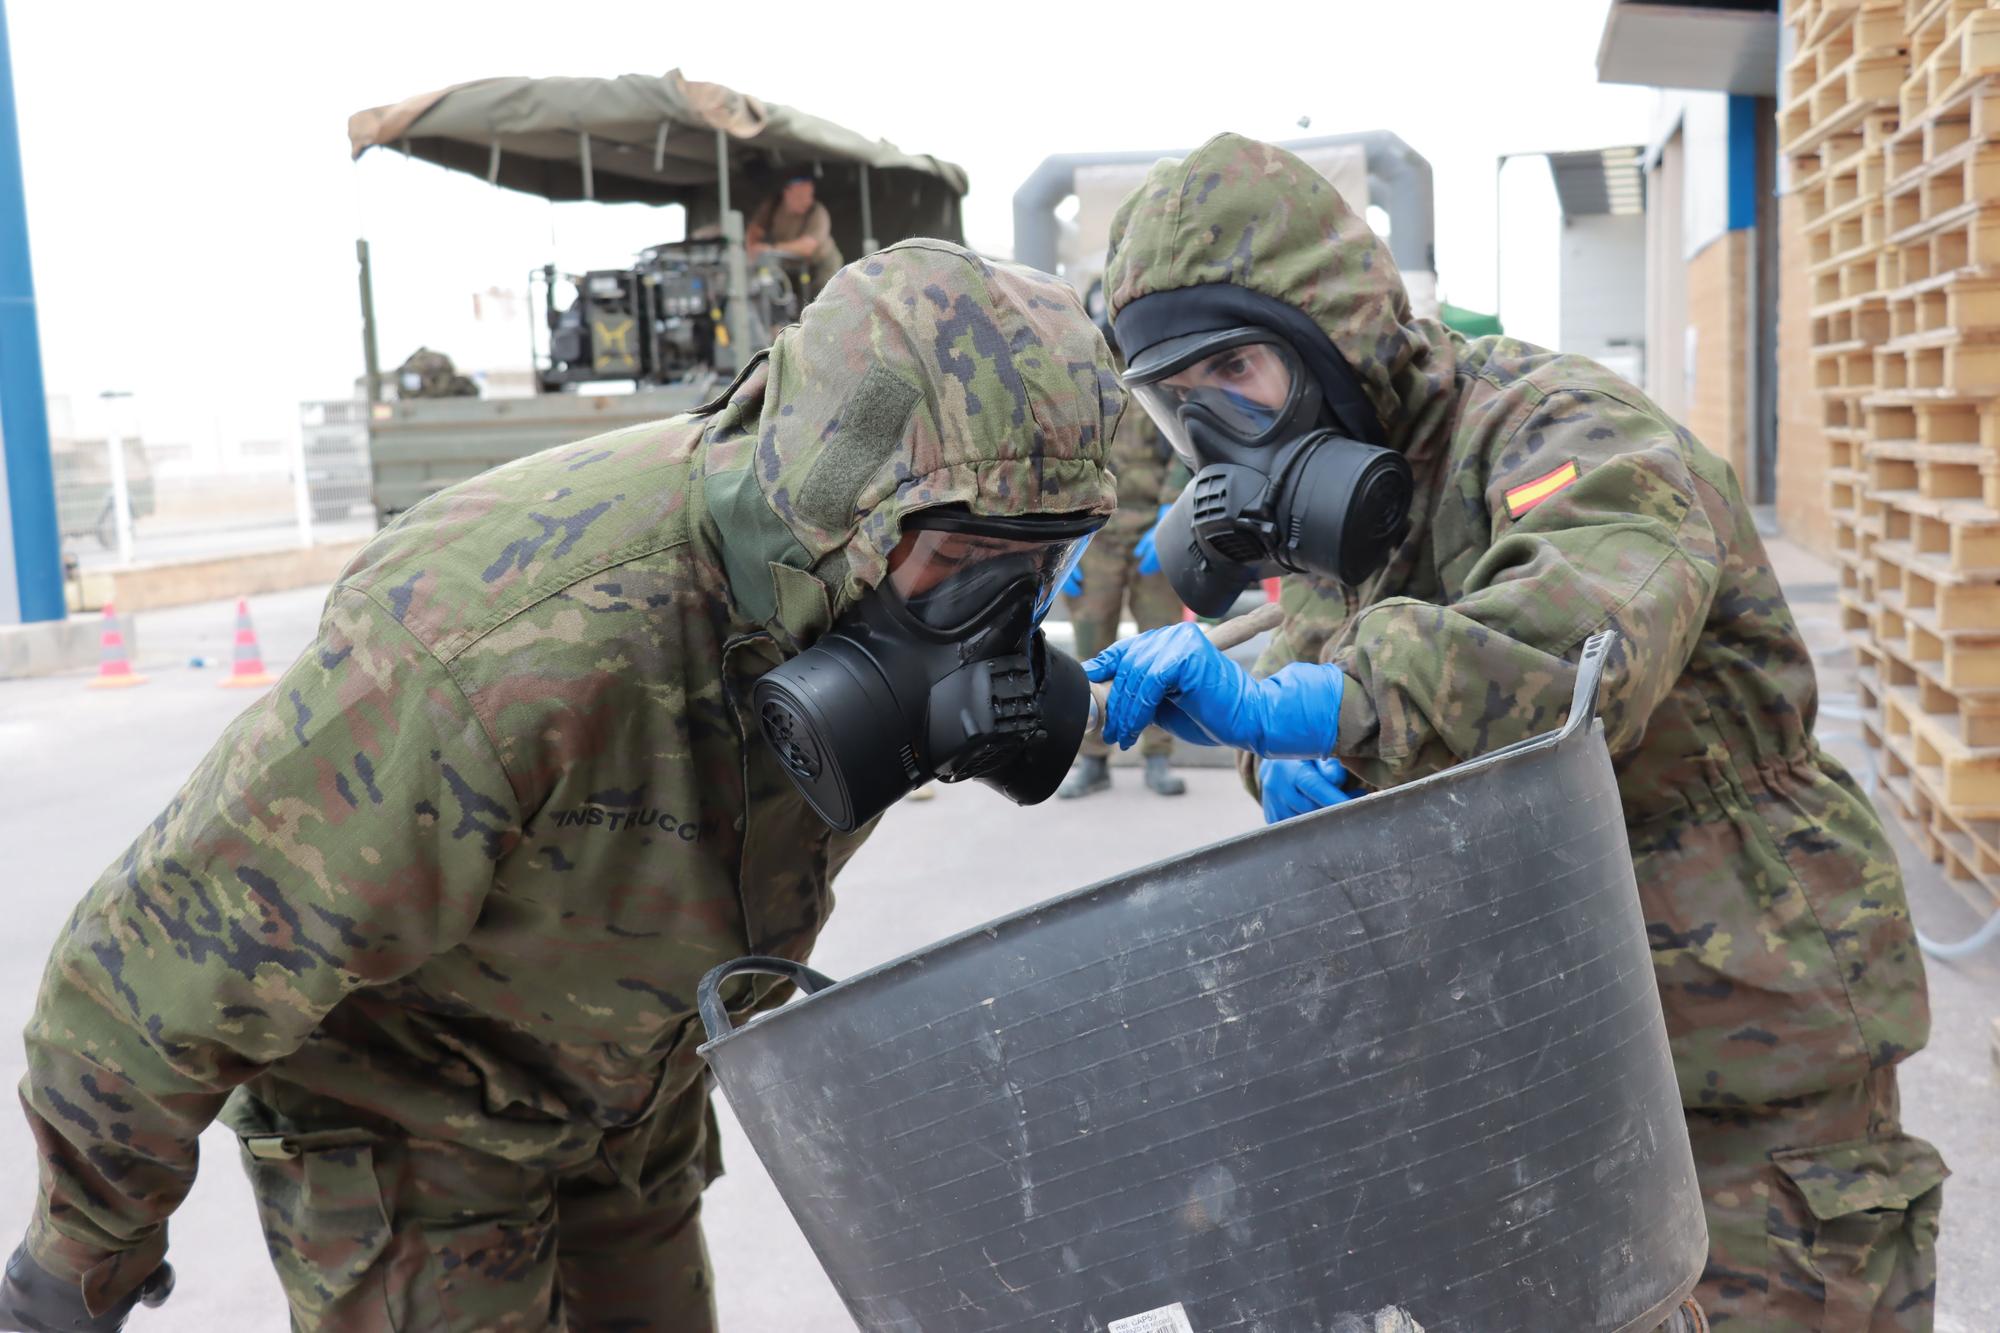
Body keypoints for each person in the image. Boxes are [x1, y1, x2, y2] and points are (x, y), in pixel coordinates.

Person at [2, 241, 1121, 1333]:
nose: (1000, 627)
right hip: (414, 1143)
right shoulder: (496, 658)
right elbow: (140, 980)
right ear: (825, 509)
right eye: (964, 565)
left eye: (1044, 566)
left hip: (626, 1121)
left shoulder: (830, 599)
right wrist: (82, 1262)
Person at [1085, 134, 1944, 1332]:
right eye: (1180, 406)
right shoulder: (1345, 509)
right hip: (1544, 1043)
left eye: (1237, 367)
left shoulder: (1565, 433)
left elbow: (1569, 646)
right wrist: (1281, 750)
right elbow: (1303, 684)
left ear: (1330, 334)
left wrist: (1331, 711)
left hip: (1745, 1038)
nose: (1218, 428)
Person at [1058, 303, 1191, 800]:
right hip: (1095, 534)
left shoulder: (1156, 368)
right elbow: (1059, 456)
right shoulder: (1076, 379)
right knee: (1091, 651)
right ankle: (1092, 760)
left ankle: (1159, 755)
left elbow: (1186, 445)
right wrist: (1060, 542)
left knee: (1163, 649)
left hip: (1153, 531)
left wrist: (1170, 512)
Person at [744, 172, 844, 299]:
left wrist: (771, 249)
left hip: (821, 264)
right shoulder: (773, 206)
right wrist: (752, 251)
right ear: (787, 193)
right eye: (801, 196)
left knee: (825, 297)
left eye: (809, 195)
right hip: (790, 265)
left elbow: (807, 247)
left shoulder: (817, 212)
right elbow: (755, 230)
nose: (807, 201)